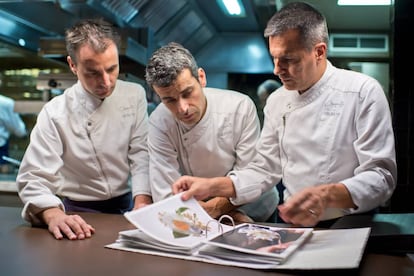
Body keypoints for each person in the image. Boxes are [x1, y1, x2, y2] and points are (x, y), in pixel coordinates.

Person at [172, 2, 397, 227]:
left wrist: (326, 195)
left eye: (288, 60)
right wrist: (213, 186)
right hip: (294, 222)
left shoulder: (361, 91)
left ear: (319, 52)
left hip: (351, 223)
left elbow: (381, 176)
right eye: (274, 58)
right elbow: (264, 168)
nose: (276, 70)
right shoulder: (277, 100)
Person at [16, 18, 150, 240]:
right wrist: (53, 215)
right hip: (78, 212)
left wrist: (143, 200)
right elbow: (34, 176)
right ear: (73, 65)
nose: (106, 82)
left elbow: (141, 154)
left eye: (112, 69)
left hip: (129, 205)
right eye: (93, 72)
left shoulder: (134, 95)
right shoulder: (55, 112)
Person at [140, 42, 278, 223]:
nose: (183, 108)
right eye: (169, 100)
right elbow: (166, 191)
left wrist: (216, 209)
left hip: (254, 207)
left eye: (187, 93)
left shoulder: (239, 107)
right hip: (196, 213)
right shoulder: (159, 122)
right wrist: (205, 214)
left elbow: (248, 177)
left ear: (201, 78)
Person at [0, 94, 27, 173]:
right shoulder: (5, 103)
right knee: (3, 171)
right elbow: (17, 128)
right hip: (1, 146)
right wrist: (24, 134)